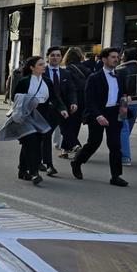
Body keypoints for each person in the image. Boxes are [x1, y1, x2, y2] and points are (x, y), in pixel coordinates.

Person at [71, 47, 129, 186]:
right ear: (104, 59)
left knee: (115, 146)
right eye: (113, 57)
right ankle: (77, 162)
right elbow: (89, 100)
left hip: (114, 114)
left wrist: (123, 113)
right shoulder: (94, 77)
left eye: (117, 57)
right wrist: (98, 116)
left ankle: (116, 176)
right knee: (94, 143)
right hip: (97, 113)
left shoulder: (120, 76)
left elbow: (124, 96)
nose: (116, 59)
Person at [2, 57, 55, 185]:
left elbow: (54, 97)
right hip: (26, 115)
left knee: (33, 142)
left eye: (44, 64)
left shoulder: (47, 81)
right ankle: (34, 173)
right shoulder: (24, 81)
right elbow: (16, 98)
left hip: (42, 116)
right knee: (31, 142)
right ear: (32, 67)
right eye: (40, 64)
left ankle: (22, 169)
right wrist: (29, 102)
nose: (44, 66)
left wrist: (63, 109)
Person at [40, 46, 77, 175]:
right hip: (45, 109)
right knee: (46, 136)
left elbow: (71, 89)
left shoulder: (66, 73)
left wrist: (73, 102)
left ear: (61, 58)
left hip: (62, 110)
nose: (55, 58)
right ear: (48, 57)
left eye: (58, 55)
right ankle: (48, 164)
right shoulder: (42, 72)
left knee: (65, 129)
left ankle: (74, 146)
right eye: (52, 55)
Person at [115, 48, 137, 167]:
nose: (121, 56)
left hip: (124, 101)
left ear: (126, 56)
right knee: (128, 129)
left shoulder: (120, 69)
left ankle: (125, 157)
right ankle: (121, 150)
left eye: (123, 54)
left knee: (123, 129)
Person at [58, 47, 87, 158]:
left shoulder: (67, 70)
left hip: (69, 100)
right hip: (82, 100)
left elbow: (66, 87)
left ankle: (75, 145)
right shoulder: (85, 69)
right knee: (74, 125)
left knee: (64, 125)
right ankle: (66, 149)